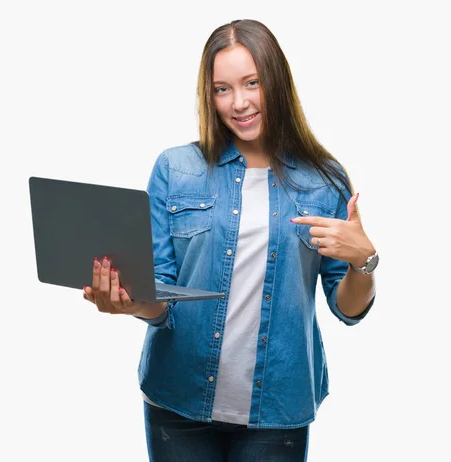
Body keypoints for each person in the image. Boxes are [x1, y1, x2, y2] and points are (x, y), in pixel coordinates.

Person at [83, 18, 377, 462]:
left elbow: (348, 309)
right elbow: (161, 298)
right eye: (222, 88)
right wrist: (129, 302)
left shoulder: (323, 181)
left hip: (276, 408)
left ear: (275, 82)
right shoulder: (175, 169)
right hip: (177, 400)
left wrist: (363, 262)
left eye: (252, 83)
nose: (238, 103)